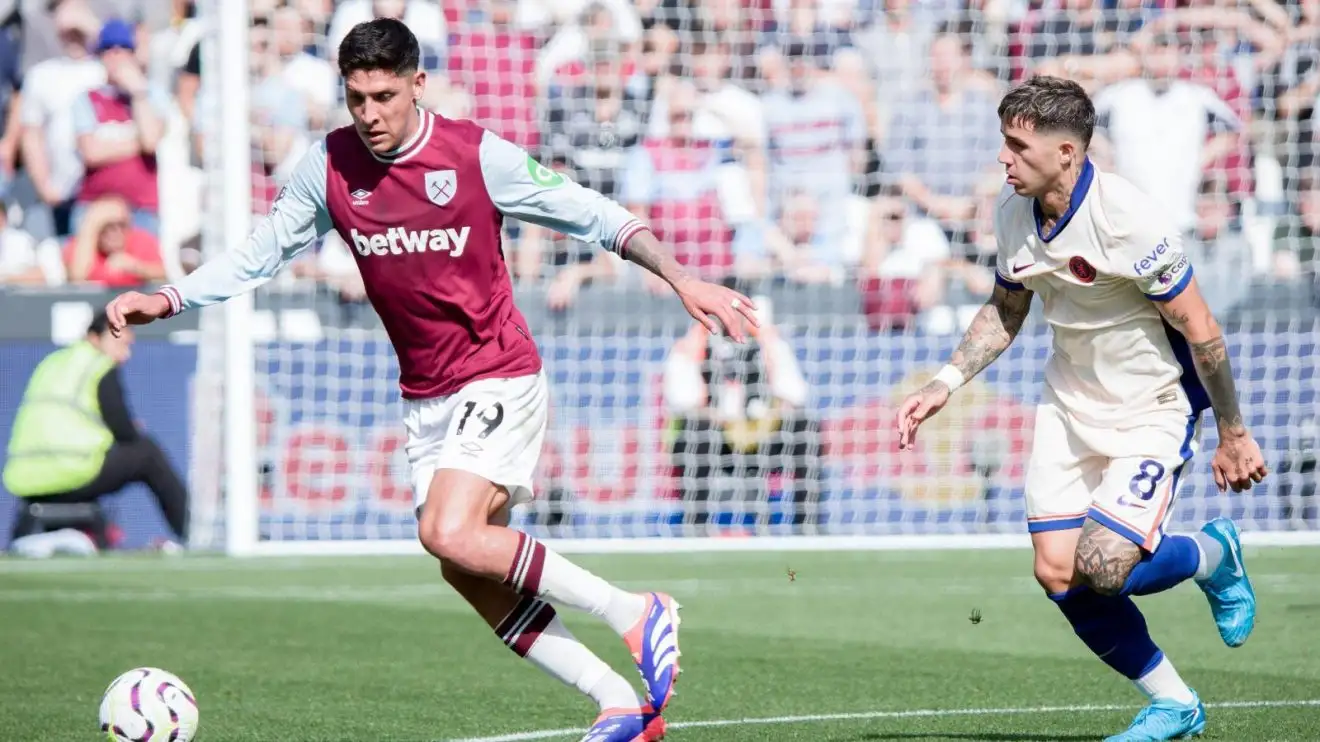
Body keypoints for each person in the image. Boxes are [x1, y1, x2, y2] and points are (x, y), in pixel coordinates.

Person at [104, 18, 757, 742]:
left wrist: (681, 277)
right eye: (356, 99)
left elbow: (594, 215)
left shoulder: (476, 155)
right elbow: (259, 253)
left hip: (499, 372)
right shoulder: (329, 167)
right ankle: (618, 705)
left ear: (418, 84)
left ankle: (634, 611)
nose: (370, 114)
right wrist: (170, 296)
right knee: (462, 564)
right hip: (426, 396)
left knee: (447, 530)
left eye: (384, 96)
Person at [896, 76, 1268, 742]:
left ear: (1067, 152)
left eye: (1017, 145)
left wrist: (1232, 432)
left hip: (1152, 406)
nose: (1003, 159)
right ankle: (1175, 705)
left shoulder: (1129, 218)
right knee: (1057, 571)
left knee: (1103, 566)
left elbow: (1200, 326)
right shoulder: (1013, 212)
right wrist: (945, 380)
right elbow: (1007, 309)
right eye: (1003, 142)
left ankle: (1213, 555)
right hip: (1068, 405)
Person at [4, 311, 189, 551]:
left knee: (99, 456)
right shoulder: (98, 365)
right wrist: (131, 429)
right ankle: (193, 531)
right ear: (94, 338)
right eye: (120, 344)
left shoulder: (50, 363)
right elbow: (124, 431)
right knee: (146, 452)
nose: (125, 355)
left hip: (26, 480)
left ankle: (72, 536)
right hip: (71, 474)